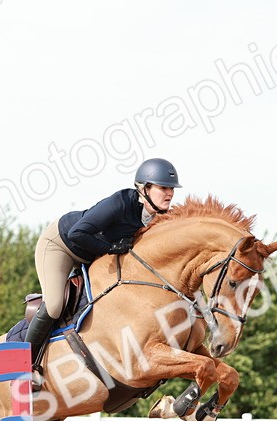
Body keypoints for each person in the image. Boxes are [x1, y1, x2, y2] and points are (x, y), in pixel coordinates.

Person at [24, 157, 181, 384]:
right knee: (56, 305)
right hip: (61, 245)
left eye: (171, 189)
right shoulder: (120, 202)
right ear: (144, 188)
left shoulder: (159, 219)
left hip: (93, 255)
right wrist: (110, 248)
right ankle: (26, 366)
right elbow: (78, 233)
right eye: (163, 188)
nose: (169, 194)